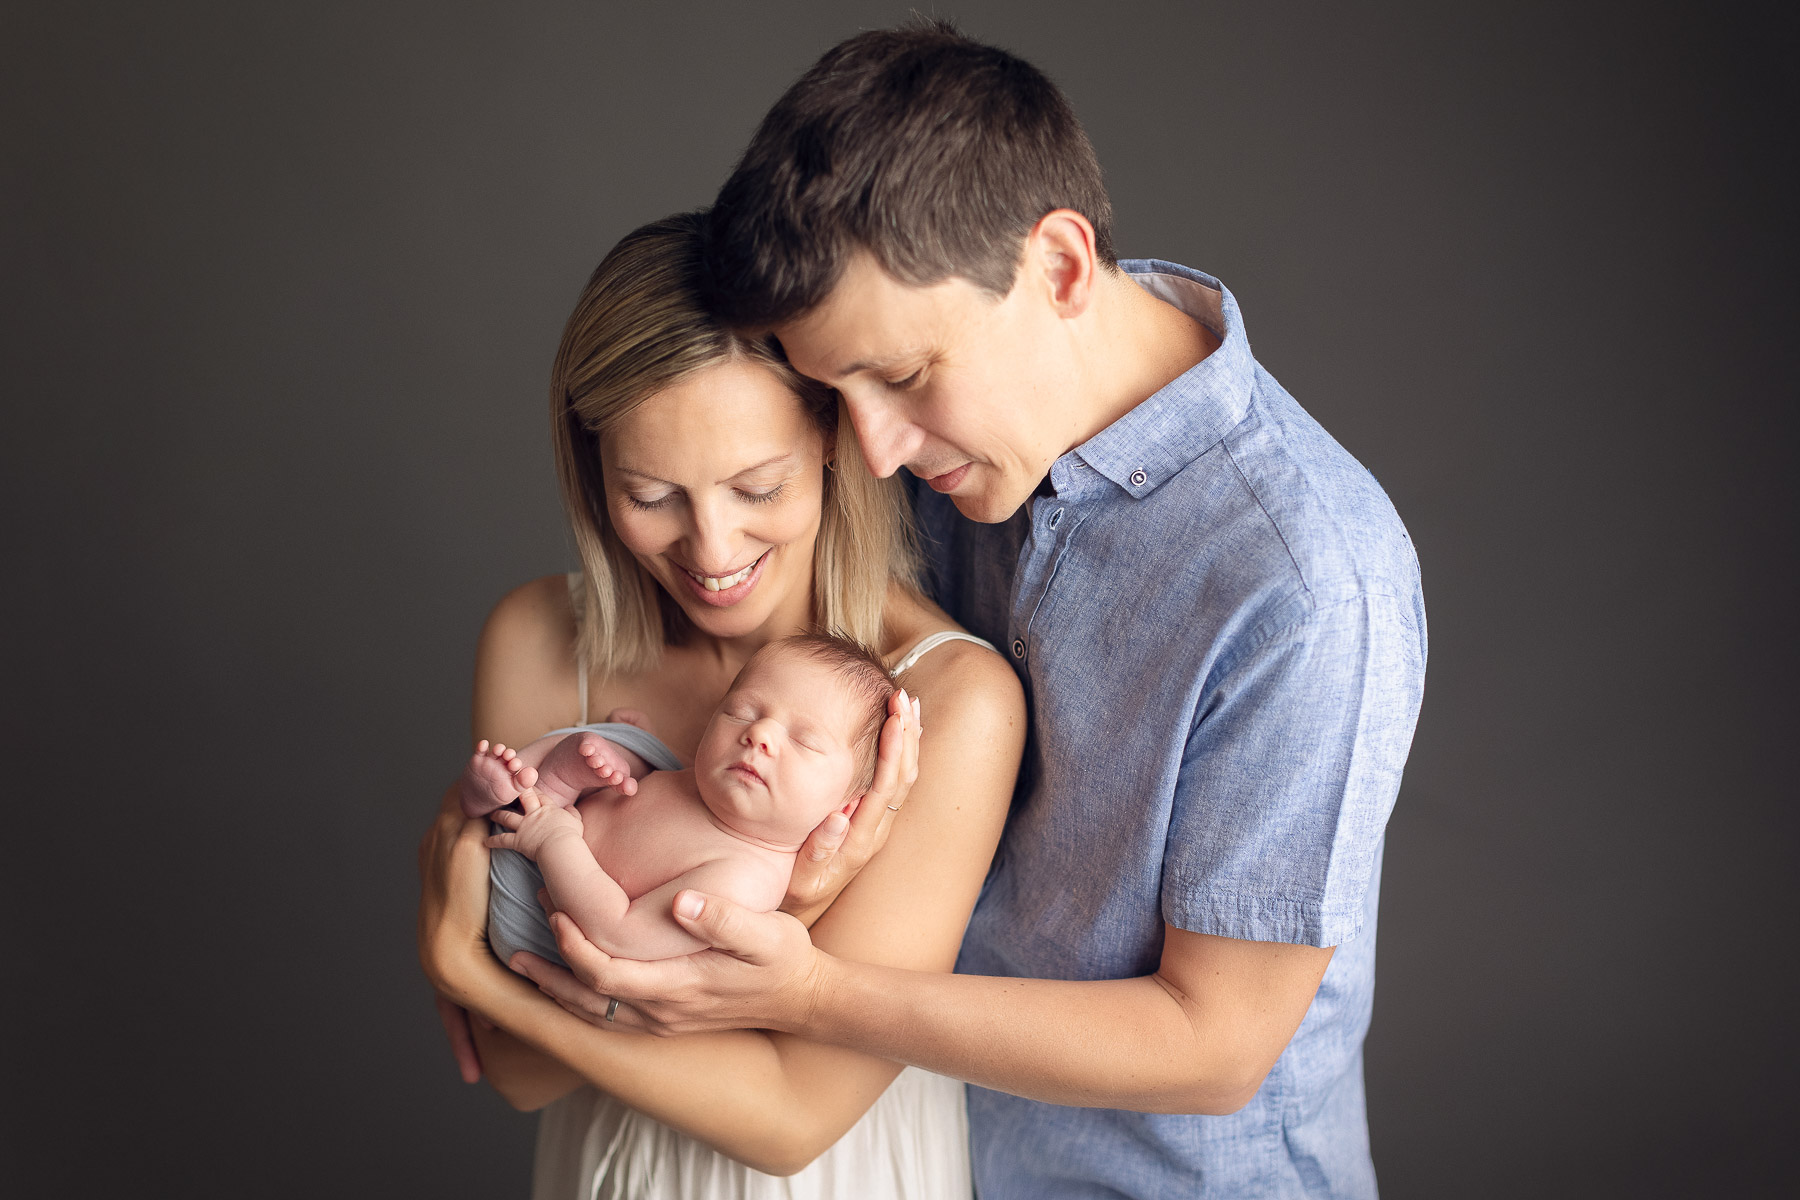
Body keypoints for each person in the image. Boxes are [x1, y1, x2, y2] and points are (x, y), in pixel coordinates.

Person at [506, 21, 1428, 1200]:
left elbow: (1217, 1047)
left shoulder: (1306, 582)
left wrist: (812, 993)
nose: (875, 454)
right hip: (945, 1159)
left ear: (1057, 268)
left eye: (899, 377)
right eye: (838, 393)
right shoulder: (957, 431)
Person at [416, 210, 1026, 1197]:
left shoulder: (948, 703)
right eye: (652, 495)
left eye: (757, 486)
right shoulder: (536, 640)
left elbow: (791, 1119)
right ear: (591, 469)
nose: (710, 551)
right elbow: (522, 1080)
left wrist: (464, 966)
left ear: (833, 435)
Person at [480, 634, 900, 962]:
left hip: (541, 917)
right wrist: (645, 743)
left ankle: (533, 782)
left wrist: (556, 843)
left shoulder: (745, 878)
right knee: (632, 755)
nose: (760, 734)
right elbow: (676, 781)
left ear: (846, 808)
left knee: (529, 785)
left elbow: (618, 933)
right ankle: (538, 775)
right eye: (742, 712)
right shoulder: (706, 786)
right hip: (551, 831)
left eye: (804, 741)